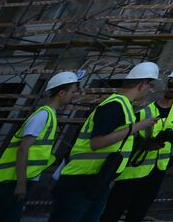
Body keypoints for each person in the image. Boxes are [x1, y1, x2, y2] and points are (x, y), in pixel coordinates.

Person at [49, 62, 162, 222]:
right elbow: (96, 143)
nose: (149, 90)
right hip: (80, 181)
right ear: (142, 85)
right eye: (150, 86)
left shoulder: (125, 106)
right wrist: (136, 127)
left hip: (98, 179)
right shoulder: (114, 106)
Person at [103, 63, 173, 222]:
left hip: (157, 171)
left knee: (138, 214)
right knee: (113, 212)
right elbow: (128, 138)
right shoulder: (144, 109)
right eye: (170, 85)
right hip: (133, 169)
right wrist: (147, 143)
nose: (172, 89)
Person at [0, 71, 78, 222]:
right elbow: (23, 148)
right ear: (62, 93)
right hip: (9, 182)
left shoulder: (49, 115)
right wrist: (21, 183)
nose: (74, 96)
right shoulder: (42, 115)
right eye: (73, 92)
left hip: (20, 179)